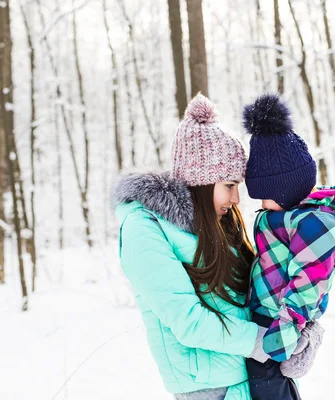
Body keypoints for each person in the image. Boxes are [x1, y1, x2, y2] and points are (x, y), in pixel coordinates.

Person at [112, 94, 317, 400]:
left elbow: (258, 292)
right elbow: (189, 321)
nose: (236, 200)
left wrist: (303, 332)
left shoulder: (218, 219)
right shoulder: (144, 229)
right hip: (210, 389)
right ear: (202, 181)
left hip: (257, 374)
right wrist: (268, 341)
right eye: (230, 186)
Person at [241, 94, 335, 400]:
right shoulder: (292, 217)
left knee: (269, 391)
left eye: (264, 196)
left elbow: (308, 284)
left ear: (285, 190)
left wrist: (282, 335)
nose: (261, 205)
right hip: (266, 318)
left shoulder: (317, 225)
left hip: (277, 324)